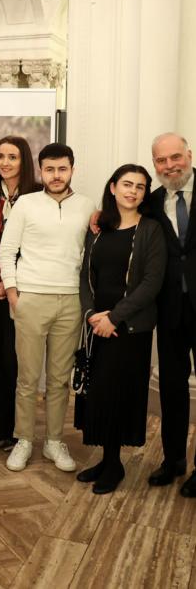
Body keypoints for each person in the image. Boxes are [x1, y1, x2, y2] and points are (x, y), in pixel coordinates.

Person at [0, 143, 95, 473]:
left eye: (62, 169)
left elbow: (91, 255)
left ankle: (54, 441)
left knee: (58, 379)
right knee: (27, 378)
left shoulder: (87, 207)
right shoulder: (26, 204)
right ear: (40, 171)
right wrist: (13, 293)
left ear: (72, 169)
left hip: (70, 300)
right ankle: (23, 439)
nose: (56, 175)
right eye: (50, 169)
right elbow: (6, 251)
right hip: (31, 299)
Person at [76, 164, 166, 494]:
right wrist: (91, 315)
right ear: (112, 187)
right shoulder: (98, 228)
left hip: (129, 329)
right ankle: (105, 458)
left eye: (140, 187)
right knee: (99, 394)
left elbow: (151, 283)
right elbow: (85, 276)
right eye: (127, 184)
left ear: (145, 194)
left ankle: (114, 466)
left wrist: (114, 317)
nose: (132, 191)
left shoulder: (151, 230)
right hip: (97, 325)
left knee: (120, 395)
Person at [0, 136, 41, 450]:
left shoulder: (39, 196)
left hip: (24, 291)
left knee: (18, 363)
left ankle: (21, 431)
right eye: (0, 156)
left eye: (12, 157)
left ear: (24, 161)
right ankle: (0, 429)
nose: (4, 162)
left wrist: (13, 282)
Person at [146, 133, 196, 495]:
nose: (169, 166)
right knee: (172, 387)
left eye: (175, 157)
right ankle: (173, 459)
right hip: (169, 311)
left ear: (189, 155)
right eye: (161, 161)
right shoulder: (152, 203)